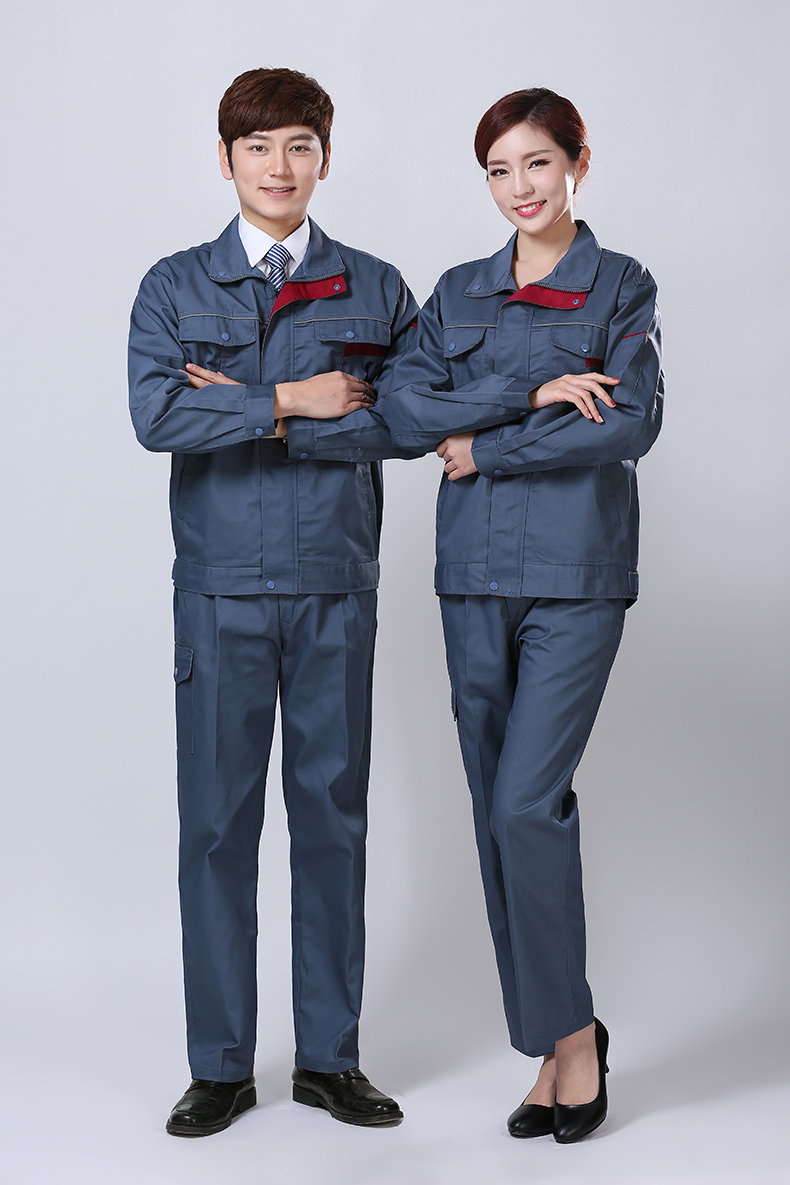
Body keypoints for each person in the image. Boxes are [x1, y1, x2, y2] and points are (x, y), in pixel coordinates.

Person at [128, 67, 420, 1138]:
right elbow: (157, 417)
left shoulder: (374, 288)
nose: (279, 166)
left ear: (324, 158)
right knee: (216, 828)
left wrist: (245, 410)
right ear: (225, 159)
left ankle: (329, 1059)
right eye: (257, 147)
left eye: (299, 144)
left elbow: (406, 420)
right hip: (219, 593)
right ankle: (219, 1066)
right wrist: (294, 399)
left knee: (332, 822)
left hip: (335, 586)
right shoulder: (174, 287)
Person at [372, 88, 664, 1143]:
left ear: (579, 160)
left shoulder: (619, 284)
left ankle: (572, 1039)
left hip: (575, 576)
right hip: (471, 579)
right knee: (493, 813)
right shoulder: (457, 292)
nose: (519, 188)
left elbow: (626, 422)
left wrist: (486, 445)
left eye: (537, 163)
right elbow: (402, 412)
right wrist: (531, 393)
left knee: (524, 806)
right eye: (498, 171)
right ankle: (554, 1041)